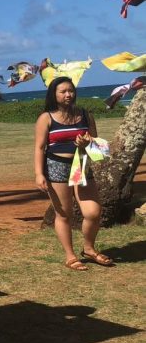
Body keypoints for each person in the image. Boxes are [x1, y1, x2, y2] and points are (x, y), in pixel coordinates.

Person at [34, 77, 112, 271]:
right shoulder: (46, 117)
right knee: (64, 213)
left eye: (71, 90)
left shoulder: (85, 114)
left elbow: (96, 143)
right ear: (54, 94)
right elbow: (40, 147)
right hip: (56, 166)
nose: (68, 94)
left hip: (81, 164)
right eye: (63, 91)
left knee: (93, 212)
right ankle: (70, 255)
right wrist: (38, 174)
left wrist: (87, 143)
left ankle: (89, 249)